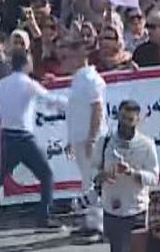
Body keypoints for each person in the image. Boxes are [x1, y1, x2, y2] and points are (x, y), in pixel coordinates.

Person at [0, 49, 66, 228]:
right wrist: (71, 103)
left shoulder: (2, 84)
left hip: (8, 137)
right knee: (46, 175)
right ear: (26, 63)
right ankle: (44, 217)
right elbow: (49, 99)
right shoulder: (27, 83)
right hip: (24, 138)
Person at [93, 99, 159, 252]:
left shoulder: (146, 144)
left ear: (138, 120)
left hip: (137, 209)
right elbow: (92, 171)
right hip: (113, 209)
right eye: (123, 118)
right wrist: (102, 176)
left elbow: (154, 178)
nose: (125, 123)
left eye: (130, 119)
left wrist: (133, 173)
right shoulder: (105, 142)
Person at [66, 56, 107, 235]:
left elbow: (97, 109)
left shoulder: (91, 78)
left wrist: (92, 138)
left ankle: (98, 225)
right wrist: (70, 140)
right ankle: (90, 222)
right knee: (87, 181)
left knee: (94, 182)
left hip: (92, 140)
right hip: (80, 140)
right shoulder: (78, 78)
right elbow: (74, 113)